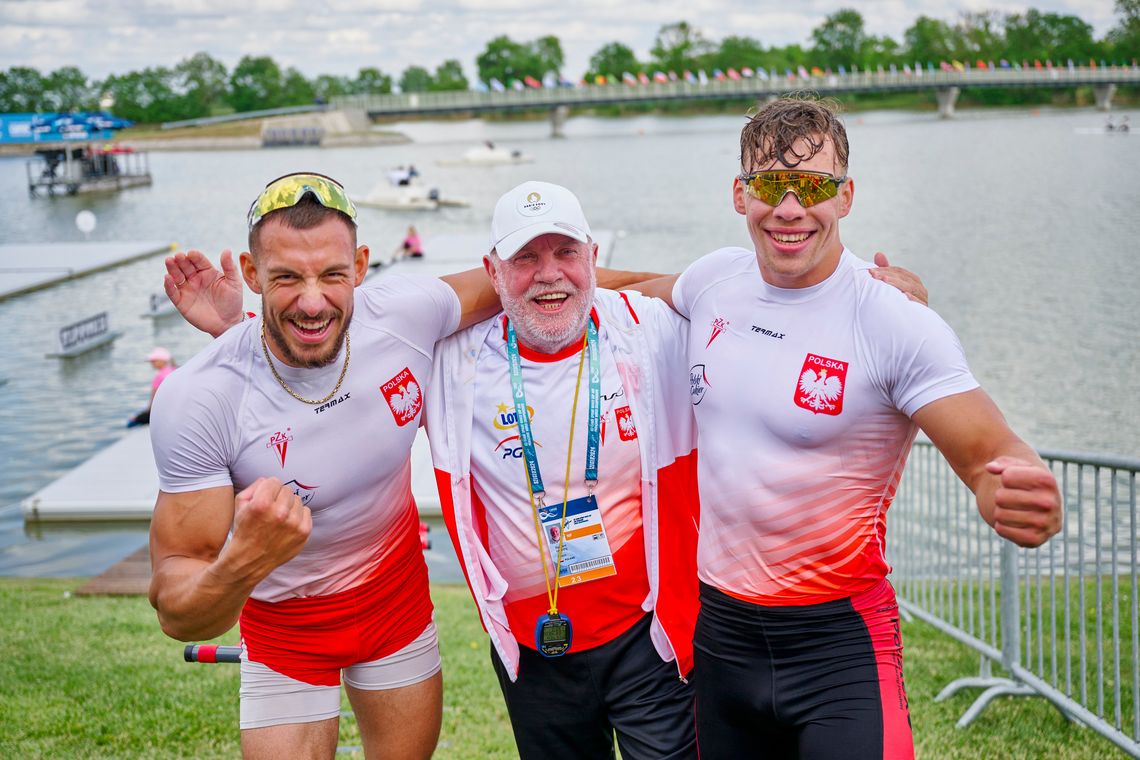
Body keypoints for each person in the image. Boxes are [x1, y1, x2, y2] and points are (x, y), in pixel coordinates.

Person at [638, 96, 1063, 759]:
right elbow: (626, 289)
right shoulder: (714, 280)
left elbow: (990, 451)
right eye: (769, 185)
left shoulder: (893, 319)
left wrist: (1009, 485)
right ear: (739, 193)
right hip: (720, 636)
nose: (789, 208)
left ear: (846, 196)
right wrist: (534, 282)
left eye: (812, 186)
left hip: (839, 648)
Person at [147, 171, 501, 760]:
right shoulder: (200, 397)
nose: (313, 301)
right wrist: (244, 561)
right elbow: (178, 615)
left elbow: (528, 278)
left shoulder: (405, 312)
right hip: (284, 628)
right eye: (286, 277)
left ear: (360, 266)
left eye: (332, 275)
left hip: (395, 599)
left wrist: (678, 290)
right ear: (253, 274)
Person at [425, 181, 700, 759]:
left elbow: (758, 311)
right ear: (492, 271)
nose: (549, 275)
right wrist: (233, 329)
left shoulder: (650, 329)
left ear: (593, 258)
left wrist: (867, 293)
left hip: (647, 641)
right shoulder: (448, 361)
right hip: (533, 651)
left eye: (566, 253)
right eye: (526, 257)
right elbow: (337, 351)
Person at [128, 347, 176, 427]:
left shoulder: (160, 376)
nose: (151, 363)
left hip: (164, 411)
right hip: (175, 407)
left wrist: (148, 411)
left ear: (162, 361)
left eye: (154, 361)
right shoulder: (175, 370)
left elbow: (153, 399)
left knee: (131, 422)